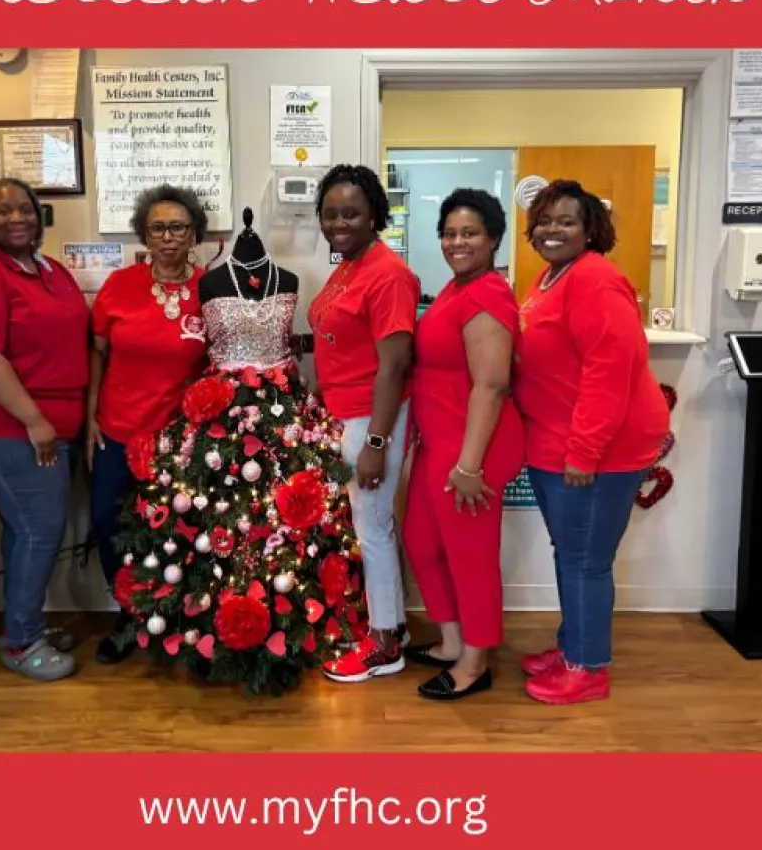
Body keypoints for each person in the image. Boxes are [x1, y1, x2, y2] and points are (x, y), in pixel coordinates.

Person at [107, 208, 368, 694]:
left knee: (288, 516)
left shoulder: (288, 278)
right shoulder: (210, 283)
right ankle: (207, 621)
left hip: (283, 411)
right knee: (215, 517)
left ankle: (291, 620)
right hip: (219, 416)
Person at [512, 179, 669, 706]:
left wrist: (585, 451)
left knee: (586, 560)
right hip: (556, 443)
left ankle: (588, 668)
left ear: (591, 229)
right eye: (545, 221)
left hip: (598, 452)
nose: (553, 230)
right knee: (572, 552)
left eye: (567, 221)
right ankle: (573, 645)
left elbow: (610, 373)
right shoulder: (553, 276)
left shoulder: (596, 281)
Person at [0, 178, 84, 683]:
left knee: (26, 530)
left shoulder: (50, 271)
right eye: (2, 211)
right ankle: (24, 642)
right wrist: (33, 419)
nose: (16, 218)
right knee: (37, 529)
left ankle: (22, 625)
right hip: (8, 428)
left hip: (52, 426)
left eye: (24, 208)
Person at [401, 189, 524, 701]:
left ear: (493, 238)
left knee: (469, 557)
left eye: (470, 232)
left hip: (472, 448)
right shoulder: (456, 289)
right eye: (450, 233)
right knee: (422, 544)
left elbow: (491, 385)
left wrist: (470, 464)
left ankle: (476, 661)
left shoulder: (487, 295)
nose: (458, 241)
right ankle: (452, 641)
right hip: (442, 442)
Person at [87, 184, 209, 663]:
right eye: (157, 227)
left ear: (193, 233)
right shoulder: (120, 286)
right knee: (109, 525)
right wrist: (90, 418)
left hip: (182, 441)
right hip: (117, 433)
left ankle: (177, 618)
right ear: (144, 234)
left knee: (178, 531)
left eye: (178, 226)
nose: (168, 236)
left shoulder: (211, 290)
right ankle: (129, 615)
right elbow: (97, 356)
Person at [308, 164, 421, 684]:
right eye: (330, 214)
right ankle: (386, 622)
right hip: (345, 414)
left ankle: (385, 644)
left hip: (371, 418)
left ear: (374, 213)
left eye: (350, 213)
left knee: (372, 528)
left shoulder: (387, 273)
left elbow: (394, 364)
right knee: (367, 525)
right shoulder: (349, 267)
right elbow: (340, 338)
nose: (339, 222)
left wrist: (376, 441)